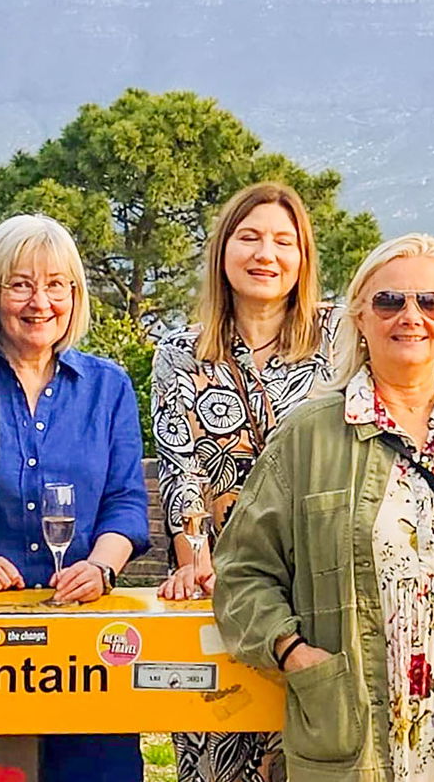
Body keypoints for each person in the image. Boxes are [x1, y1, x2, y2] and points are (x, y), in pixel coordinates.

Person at [215, 233, 434, 782]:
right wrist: (293, 653)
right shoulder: (307, 437)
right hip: (355, 735)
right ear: (360, 317)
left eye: (430, 302)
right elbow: (242, 572)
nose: (411, 316)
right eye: (390, 301)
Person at [150, 183, 341, 782]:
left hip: (317, 575)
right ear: (223, 251)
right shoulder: (178, 352)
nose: (266, 254)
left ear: (303, 258)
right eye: (250, 237)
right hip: (221, 576)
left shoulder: (339, 342)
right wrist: (196, 561)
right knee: (216, 754)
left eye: (284, 241)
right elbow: (179, 467)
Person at [0, 213, 149, 782]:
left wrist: (101, 568)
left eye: (56, 284)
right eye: (21, 284)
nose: (41, 301)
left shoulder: (109, 386)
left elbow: (125, 504)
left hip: (83, 638)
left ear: (75, 294)